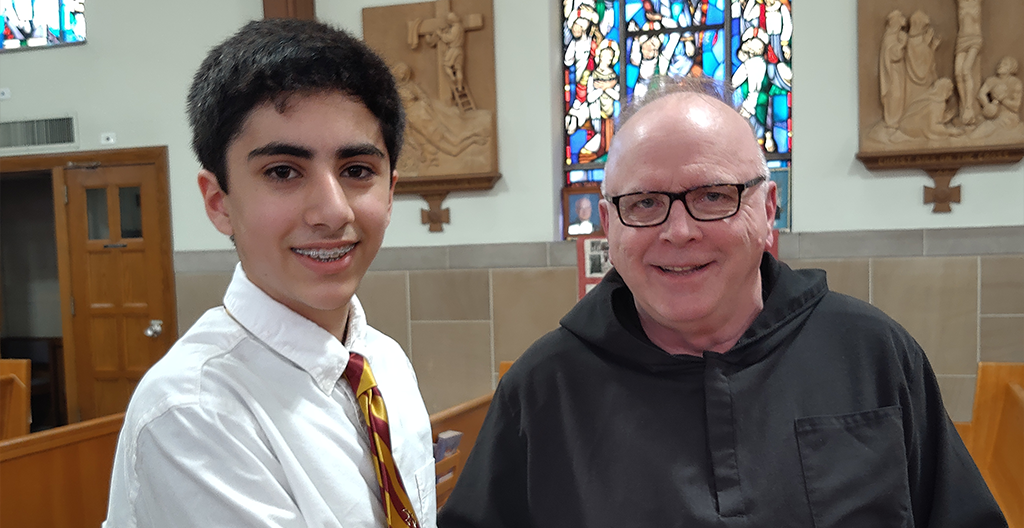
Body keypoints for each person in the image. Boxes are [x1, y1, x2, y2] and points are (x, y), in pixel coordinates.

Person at [437, 75, 1007, 527]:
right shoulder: (542, 388)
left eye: (714, 196)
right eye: (644, 203)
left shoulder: (873, 354)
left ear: (768, 209)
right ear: (608, 224)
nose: (678, 231)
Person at [105, 19, 436, 528]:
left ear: (390, 192)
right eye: (283, 171)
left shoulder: (385, 363)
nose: (332, 212)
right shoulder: (194, 412)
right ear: (219, 203)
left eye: (356, 170)